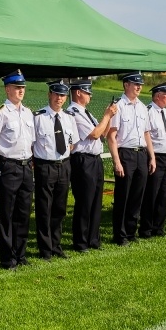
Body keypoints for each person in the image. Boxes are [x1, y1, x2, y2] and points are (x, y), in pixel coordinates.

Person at [0, 70, 35, 270]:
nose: (21, 91)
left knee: (23, 211)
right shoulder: (0, 114)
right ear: (7, 89)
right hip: (9, 166)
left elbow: (32, 142)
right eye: (16, 87)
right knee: (7, 213)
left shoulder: (28, 113)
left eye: (22, 88)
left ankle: (20, 254)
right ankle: (7, 258)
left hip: (26, 165)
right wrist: (4, 161)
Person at [67, 80, 117, 252]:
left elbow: (103, 133)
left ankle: (93, 239)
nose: (91, 95)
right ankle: (81, 242)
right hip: (83, 161)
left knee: (96, 201)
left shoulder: (86, 113)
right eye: (87, 92)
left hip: (95, 160)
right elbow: (94, 134)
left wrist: (109, 117)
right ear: (78, 93)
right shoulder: (73, 112)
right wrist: (106, 116)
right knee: (85, 201)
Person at [107, 72, 156, 246]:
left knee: (137, 195)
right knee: (123, 196)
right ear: (126, 85)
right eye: (135, 84)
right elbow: (111, 136)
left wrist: (152, 157)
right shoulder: (118, 106)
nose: (139, 87)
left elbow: (146, 133)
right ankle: (120, 234)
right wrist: (116, 161)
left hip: (141, 153)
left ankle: (130, 231)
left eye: (140, 84)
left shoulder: (143, 107)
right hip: (125, 154)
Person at [32, 80, 78, 260]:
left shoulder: (69, 118)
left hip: (64, 165)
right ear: (49, 95)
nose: (59, 98)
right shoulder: (38, 117)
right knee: (44, 208)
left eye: (63, 95)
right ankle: (45, 249)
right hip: (45, 166)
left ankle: (56, 246)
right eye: (57, 94)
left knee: (60, 208)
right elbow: (31, 144)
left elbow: (72, 143)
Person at [141, 81, 166, 237]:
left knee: (164, 194)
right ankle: (146, 228)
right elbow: (147, 134)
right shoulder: (149, 111)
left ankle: (159, 227)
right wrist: (152, 157)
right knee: (152, 194)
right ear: (157, 96)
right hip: (155, 157)